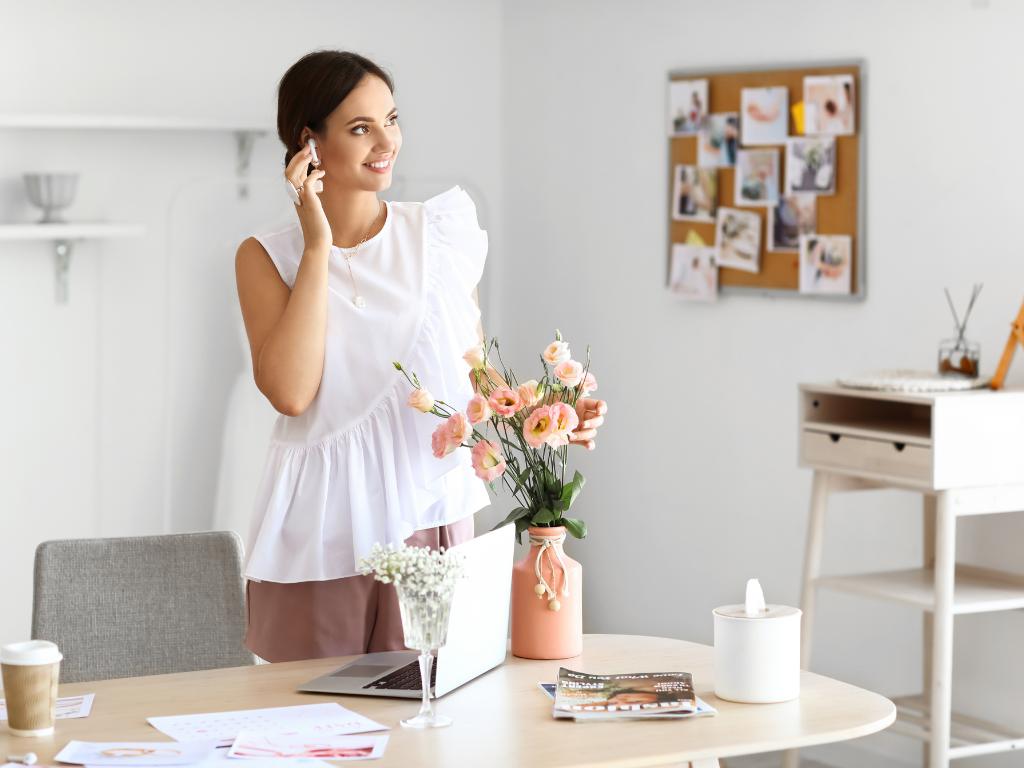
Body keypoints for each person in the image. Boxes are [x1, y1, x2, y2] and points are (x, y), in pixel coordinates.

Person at [234, 51, 606, 662]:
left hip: (429, 514)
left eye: (392, 119)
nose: (387, 142)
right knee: (310, 728)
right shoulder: (266, 257)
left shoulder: (441, 235)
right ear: (310, 143)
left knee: (430, 717)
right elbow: (291, 393)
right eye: (360, 128)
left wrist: (559, 413)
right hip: (322, 527)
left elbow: (477, 377)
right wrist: (318, 246)